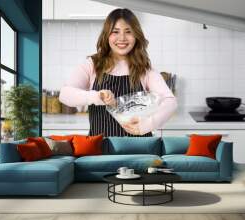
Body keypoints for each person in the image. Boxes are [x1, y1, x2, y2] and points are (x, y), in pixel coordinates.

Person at [59, 8, 177, 137]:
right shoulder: (92, 65)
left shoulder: (145, 69)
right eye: (115, 32)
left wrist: (148, 124)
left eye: (128, 32)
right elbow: (65, 94)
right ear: (107, 35)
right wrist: (97, 96)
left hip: (140, 151)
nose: (122, 38)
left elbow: (170, 101)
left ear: (136, 36)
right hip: (101, 150)